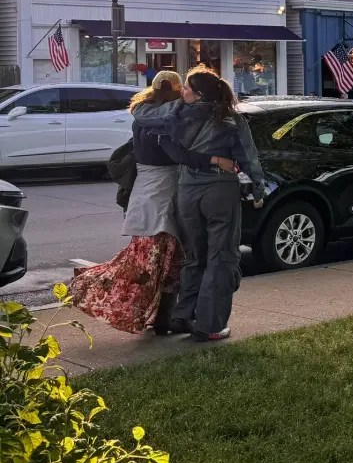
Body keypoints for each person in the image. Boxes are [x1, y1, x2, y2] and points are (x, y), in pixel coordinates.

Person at [70, 71, 237, 335]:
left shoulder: (142, 117)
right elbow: (179, 155)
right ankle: (91, 285)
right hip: (164, 195)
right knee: (163, 263)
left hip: (143, 196)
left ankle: (163, 319)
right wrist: (214, 160)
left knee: (155, 264)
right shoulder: (167, 122)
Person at [132, 66, 265, 342]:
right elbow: (248, 156)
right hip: (220, 189)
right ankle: (210, 325)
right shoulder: (230, 118)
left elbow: (139, 113)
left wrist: (171, 103)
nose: (184, 92)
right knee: (222, 256)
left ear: (199, 93)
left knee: (194, 255)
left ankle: (183, 316)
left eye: (189, 88)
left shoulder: (175, 114)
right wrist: (258, 188)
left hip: (187, 192)